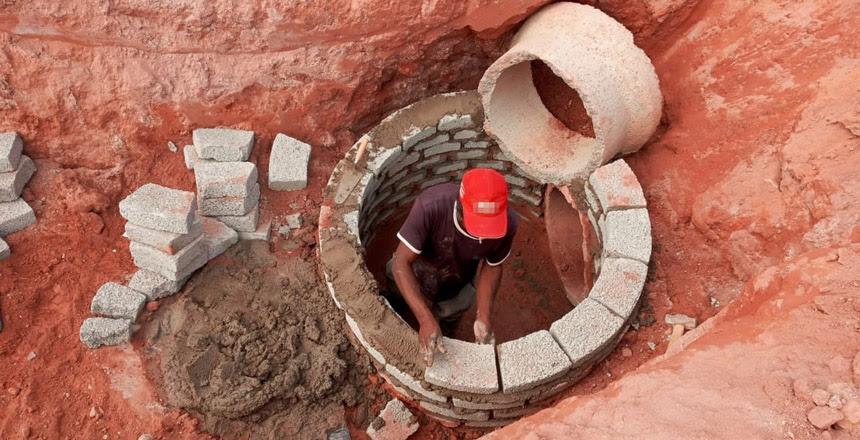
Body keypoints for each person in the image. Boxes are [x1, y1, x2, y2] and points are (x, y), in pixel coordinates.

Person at [386, 168, 517, 366]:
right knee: (399, 298)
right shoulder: (430, 206)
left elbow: (492, 266)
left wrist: (483, 315)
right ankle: (401, 308)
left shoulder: (507, 223)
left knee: (451, 312)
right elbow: (401, 262)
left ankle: (445, 329)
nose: (483, 236)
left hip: (456, 283)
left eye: (489, 227)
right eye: (478, 226)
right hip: (415, 273)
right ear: (460, 208)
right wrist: (424, 318)